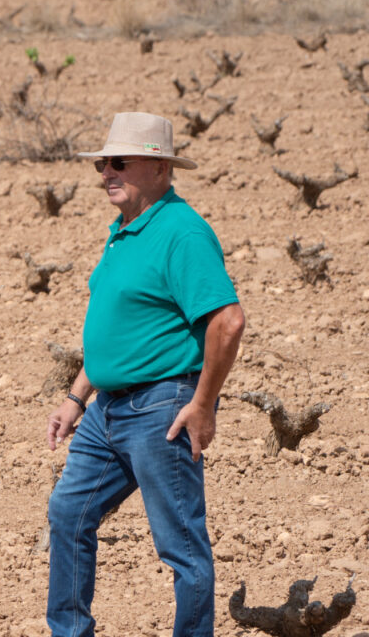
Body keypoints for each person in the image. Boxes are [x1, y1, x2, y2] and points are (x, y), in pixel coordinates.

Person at [44, 112, 246, 637]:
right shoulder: (125, 230)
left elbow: (228, 321)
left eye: (119, 163)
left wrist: (202, 405)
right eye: (103, 164)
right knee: (69, 513)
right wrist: (76, 395)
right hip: (105, 407)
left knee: (180, 545)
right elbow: (123, 329)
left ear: (159, 168)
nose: (106, 172)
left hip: (161, 407)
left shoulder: (181, 232)